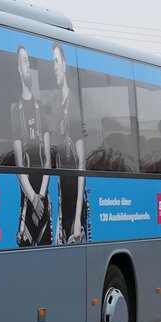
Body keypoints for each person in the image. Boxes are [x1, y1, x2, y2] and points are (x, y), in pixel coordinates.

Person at [11, 45, 52, 246]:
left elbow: (48, 161)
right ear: (19, 69)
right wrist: (34, 200)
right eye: (24, 61)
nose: (28, 65)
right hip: (28, 200)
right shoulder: (16, 111)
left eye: (29, 61)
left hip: (43, 197)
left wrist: (41, 197)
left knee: (46, 248)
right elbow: (19, 166)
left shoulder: (40, 108)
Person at [50, 43, 87, 243]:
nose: (55, 67)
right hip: (64, 206)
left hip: (74, 209)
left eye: (57, 61)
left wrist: (78, 218)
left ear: (64, 65)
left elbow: (81, 162)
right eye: (52, 63)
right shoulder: (58, 106)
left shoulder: (72, 106)